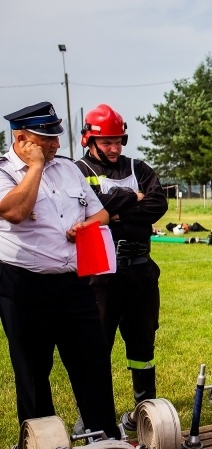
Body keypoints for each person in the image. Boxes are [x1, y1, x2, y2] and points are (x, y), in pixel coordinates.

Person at [0, 102, 119, 449]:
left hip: (73, 284)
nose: (54, 145)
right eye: (45, 139)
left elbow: (99, 211)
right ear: (21, 138)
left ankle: (105, 445)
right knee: (34, 371)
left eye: (56, 136)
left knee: (93, 363)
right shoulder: (5, 172)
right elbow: (16, 212)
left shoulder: (68, 168)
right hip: (23, 287)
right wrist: (34, 167)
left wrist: (87, 225)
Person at [74, 104, 168, 432]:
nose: (115, 149)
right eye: (107, 143)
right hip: (100, 274)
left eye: (119, 141)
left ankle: (146, 410)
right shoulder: (78, 170)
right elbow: (87, 208)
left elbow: (158, 204)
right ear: (90, 140)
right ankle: (91, 417)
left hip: (140, 270)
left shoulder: (138, 166)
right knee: (96, 345)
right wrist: (132, 197)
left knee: (143, 344)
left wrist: (113, 208)